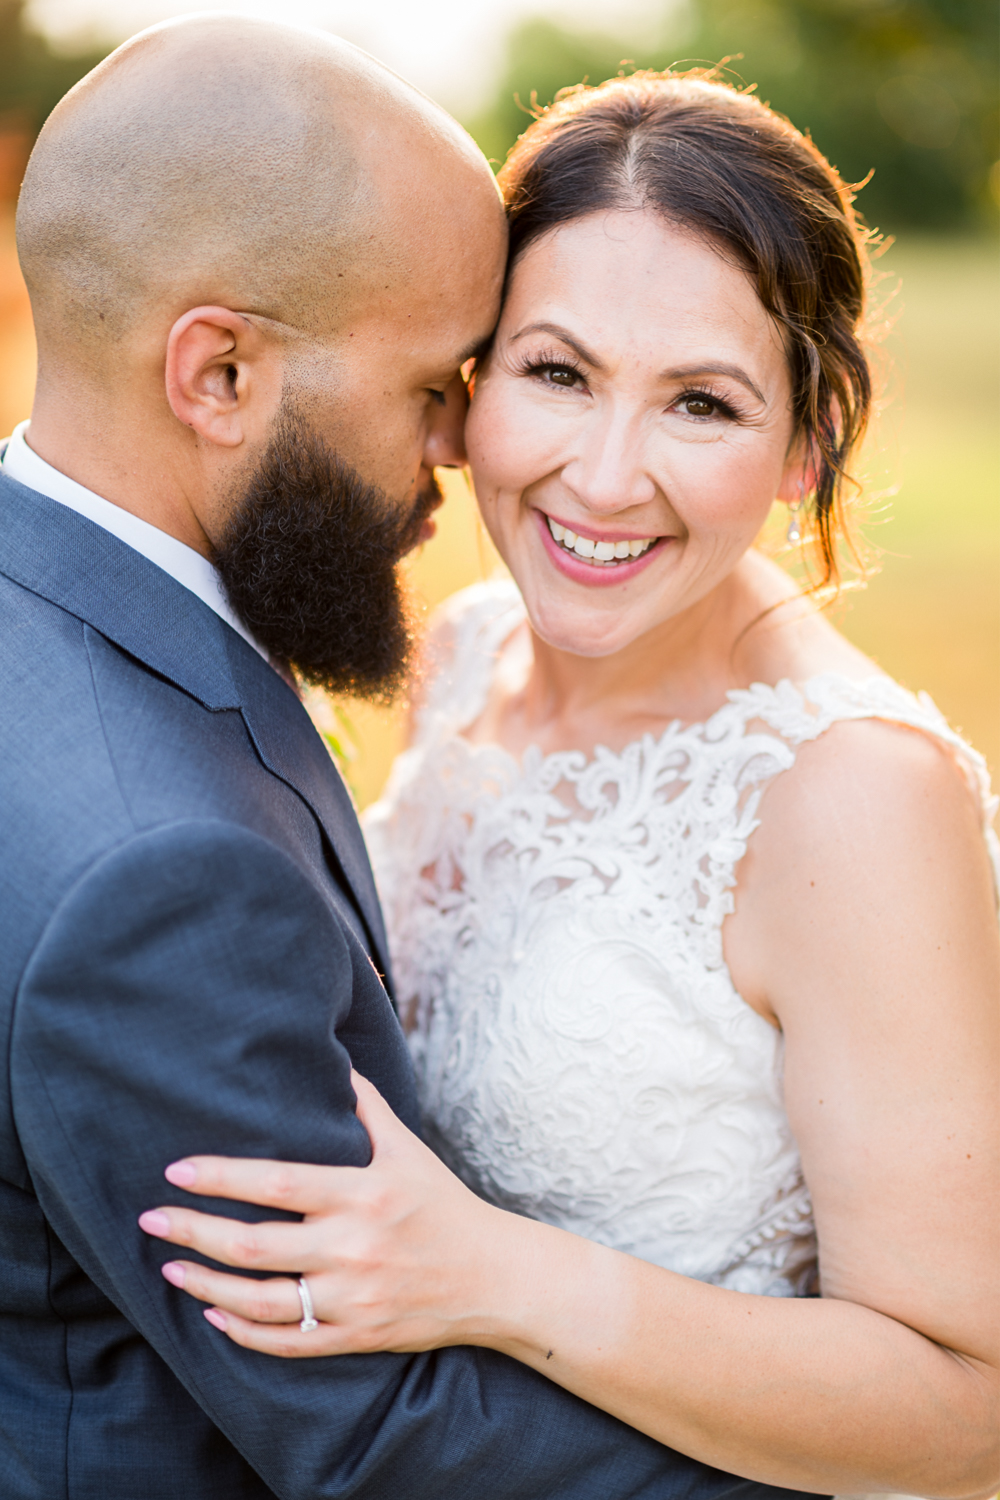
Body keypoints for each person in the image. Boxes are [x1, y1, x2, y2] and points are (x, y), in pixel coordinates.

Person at [140, 73, 1000, 1497]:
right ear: (470, 383)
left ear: (804, 445)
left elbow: (971, 1404)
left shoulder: (853, 800)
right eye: (557, 373)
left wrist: (503, 1281)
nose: (603, 479)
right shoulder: (468, 651)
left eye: (702, 404)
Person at [0, 23, 809, 1500]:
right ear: (220, 372)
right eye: (438, 377)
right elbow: (378, 1431)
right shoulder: (156, 872)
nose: (461, 441)